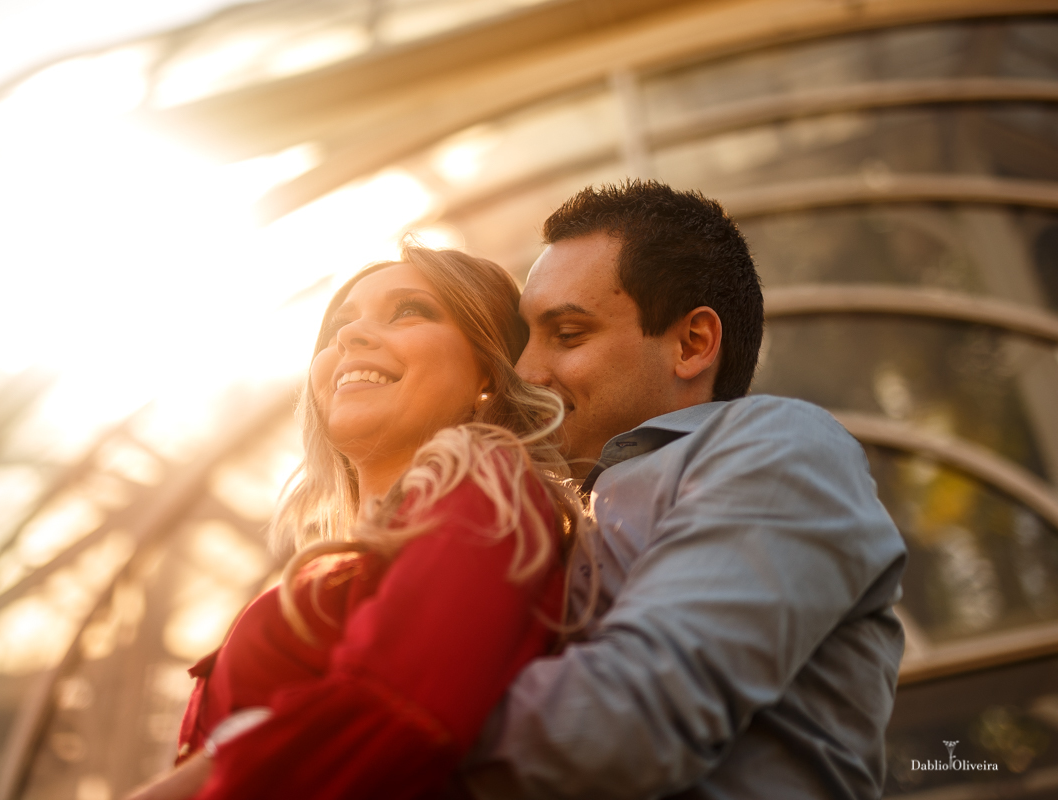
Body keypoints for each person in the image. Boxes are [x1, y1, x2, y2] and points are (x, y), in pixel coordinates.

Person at [462, 180, 908, 799]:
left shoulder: (778, 446)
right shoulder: (549, 509)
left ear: (692, 344)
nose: (525, 372)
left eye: (566, 335)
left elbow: (628, 723)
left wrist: (374, 718)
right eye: (523, 341)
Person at [126, 247, 590, 800]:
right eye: (341, 325)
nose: (349, 338)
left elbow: (400, 708)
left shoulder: (491, 485)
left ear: (487, 373)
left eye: (409, 311)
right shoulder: (356, 557)